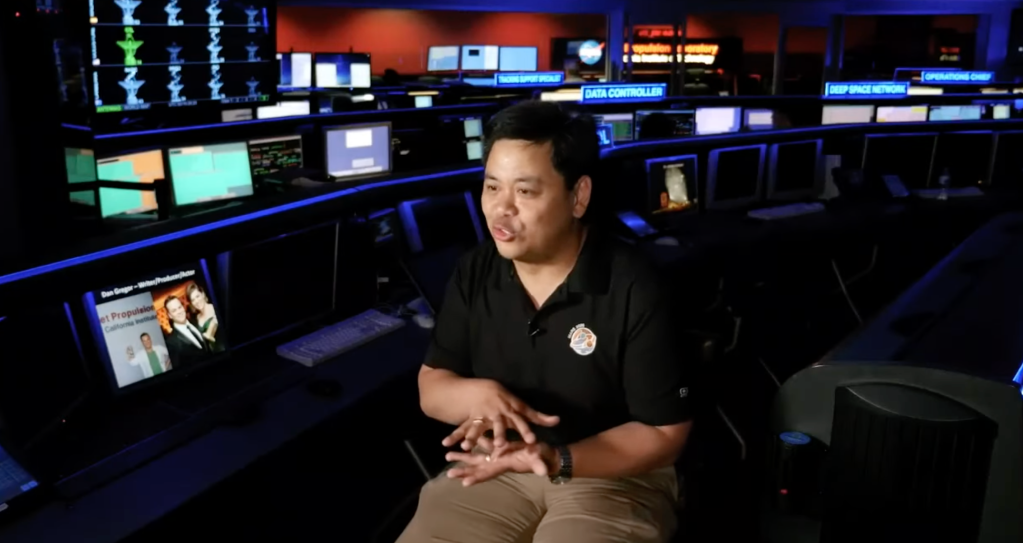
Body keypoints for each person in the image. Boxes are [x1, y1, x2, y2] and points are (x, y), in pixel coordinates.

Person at [397, 101, 693, 543]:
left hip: (615, 473)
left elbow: (664, 433)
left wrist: (558, 459)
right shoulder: (475, 270)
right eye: (492, 187)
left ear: (579, 196)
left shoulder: (636, 285)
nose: (501, 210)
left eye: (525, 192)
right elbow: (432, 388)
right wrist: (475, 394)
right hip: (496, 464)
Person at [162, 295, 211, 370]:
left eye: (179, 307)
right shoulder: (171, 342)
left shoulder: (196, 321)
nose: (179, 311)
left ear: (183, 307)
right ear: (170, 315)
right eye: (174, 310)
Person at [186, 282, 220, 350]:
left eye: (197, 296)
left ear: (202, 294)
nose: (196, 301)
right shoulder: (197, 318)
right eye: (193, 300)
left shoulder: (215, 308)